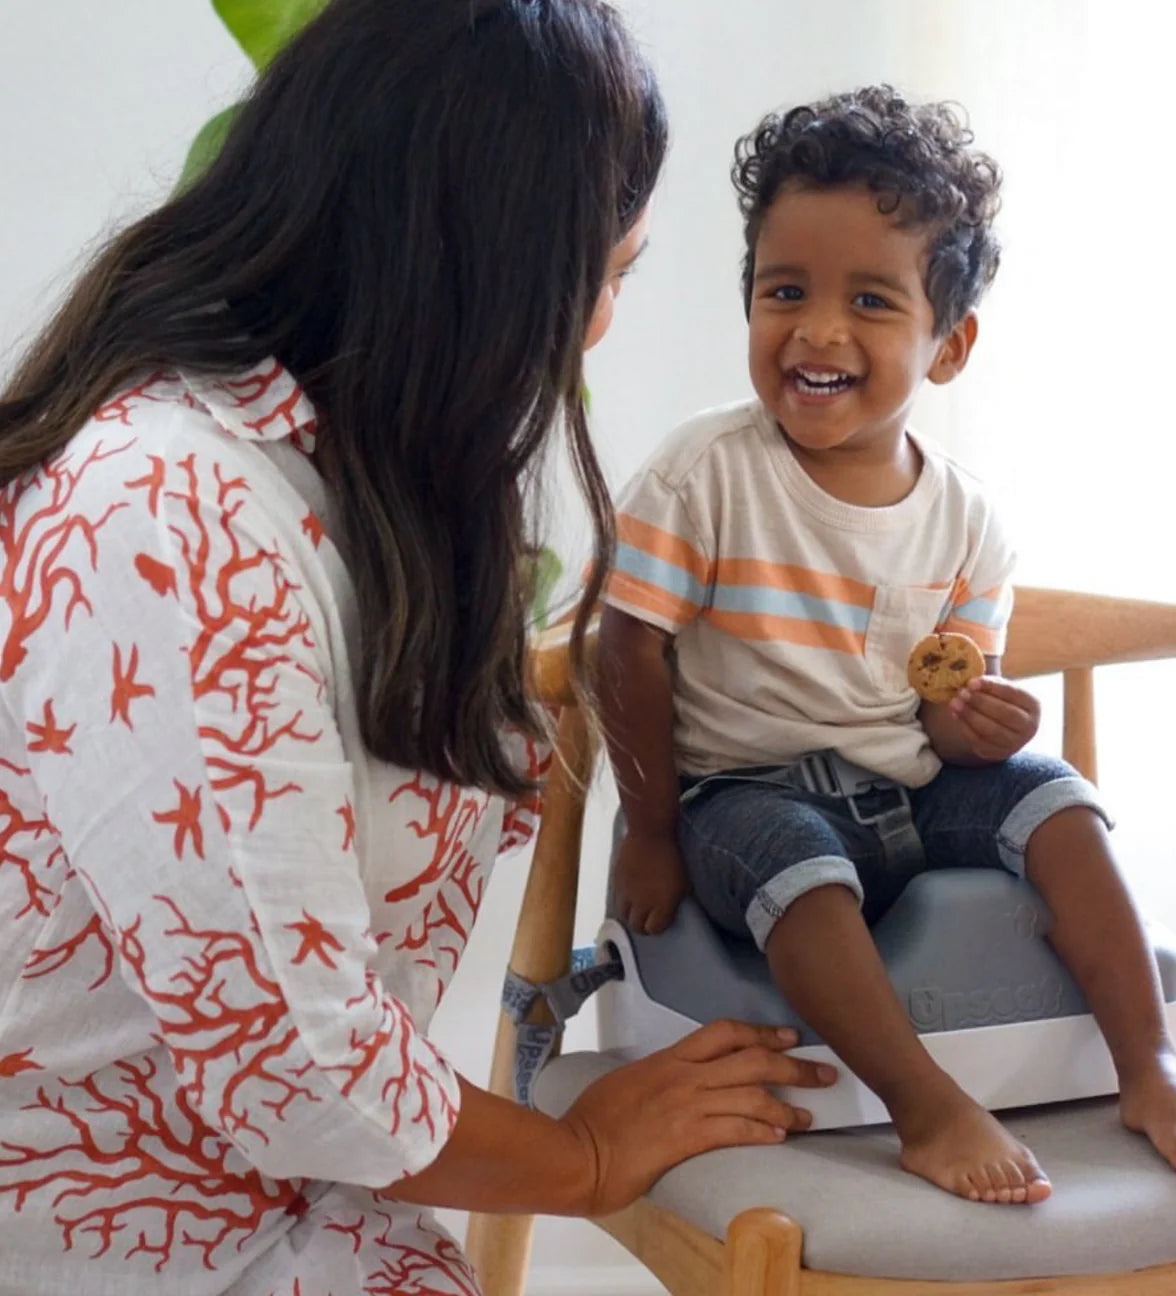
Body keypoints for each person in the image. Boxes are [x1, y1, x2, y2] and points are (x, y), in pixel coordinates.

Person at [0, 2, 837, 1292]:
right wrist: (583, 1158)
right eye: (606, 275)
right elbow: (289, 1058)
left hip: (268, 1193)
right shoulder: (168, 511)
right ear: (481, 267)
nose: (597, 326)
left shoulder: (355, 471)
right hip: (109, 1234)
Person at [598, 84, 1176, 1207]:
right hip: (740, 797)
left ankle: (1149, 1066)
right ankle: (925, 1104)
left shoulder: (970, 520)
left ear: (949, 347)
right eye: (785, 291)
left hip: (905, 786)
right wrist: (651, 832)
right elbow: (625, 654)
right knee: (800, 866)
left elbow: (943, 712)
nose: (818, 330)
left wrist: (979, 723)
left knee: (1057, 797)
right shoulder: (700, 476)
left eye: (870, 300)